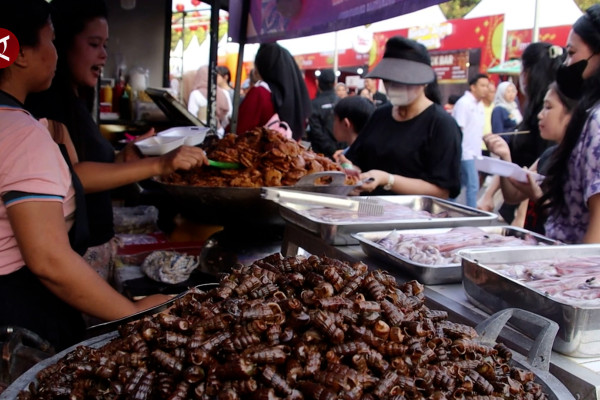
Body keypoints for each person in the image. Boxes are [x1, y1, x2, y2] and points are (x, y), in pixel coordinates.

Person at [0, 0, 171, 352]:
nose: (56, 52)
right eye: (50, 40)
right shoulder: (22, 132)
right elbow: (48, 258)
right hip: (17, 309)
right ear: (16, 53)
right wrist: (131, 311)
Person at [26, 0, 208, 281]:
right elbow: (74, 177)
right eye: (94, 44)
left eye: (105, 46)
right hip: (78, 251)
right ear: (62, 43)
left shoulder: (75, 102)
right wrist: (160, 164)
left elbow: (92, 167)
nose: (103, 56)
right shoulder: (50, 104)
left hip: (95, 243)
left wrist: (124, 157)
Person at [344, 36, 462, 198]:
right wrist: (349, 168)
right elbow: (357, 159)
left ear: (424, 82)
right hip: (369, 211)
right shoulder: (380, 115)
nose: (393, 87)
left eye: (402, 82)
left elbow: (442, 190)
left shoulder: (442, 124)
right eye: (389, 81)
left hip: (412, 219)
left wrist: (388, 179)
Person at [539, 4, 600, 243]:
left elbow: (596, 235)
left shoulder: (597, 121)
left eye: (572, 53)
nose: (567, 63)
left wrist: (581, 278)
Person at [484, 82, 576, 233]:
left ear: (571, 114)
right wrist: (505, 157)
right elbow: (512, 196)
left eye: (548, 107)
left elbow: (569, 221)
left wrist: (536, 195)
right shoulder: (549, 155)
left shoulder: (580, 163)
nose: (540, 115)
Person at [235, 43, 311, 141]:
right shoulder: (297, 95)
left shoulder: (260, 93)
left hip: (258, 155)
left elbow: (238, 132)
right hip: (291, 153)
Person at [452, 73, 489, 208]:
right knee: (473, 186)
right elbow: (458, 129)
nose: (486, 89)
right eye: (482, 85)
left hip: (475, 152)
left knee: (460, 185)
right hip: (465, 153)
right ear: (473, 87)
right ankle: (472, 215)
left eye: (487, 86)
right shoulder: (464, 103)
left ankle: (445, 208)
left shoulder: (480, 106)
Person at [307, 69, 343, 158]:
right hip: (341, 154)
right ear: (334, 83)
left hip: (322, 156)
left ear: (317, 83)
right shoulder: (342, 102)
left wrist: (331, 150)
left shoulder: (313, 104)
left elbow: (316, 132)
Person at [187, 65, 231, 136]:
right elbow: (229, 114)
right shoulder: (224, 92)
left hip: (201, 134)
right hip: (220, 132)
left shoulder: (195, 94)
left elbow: (191, 116)